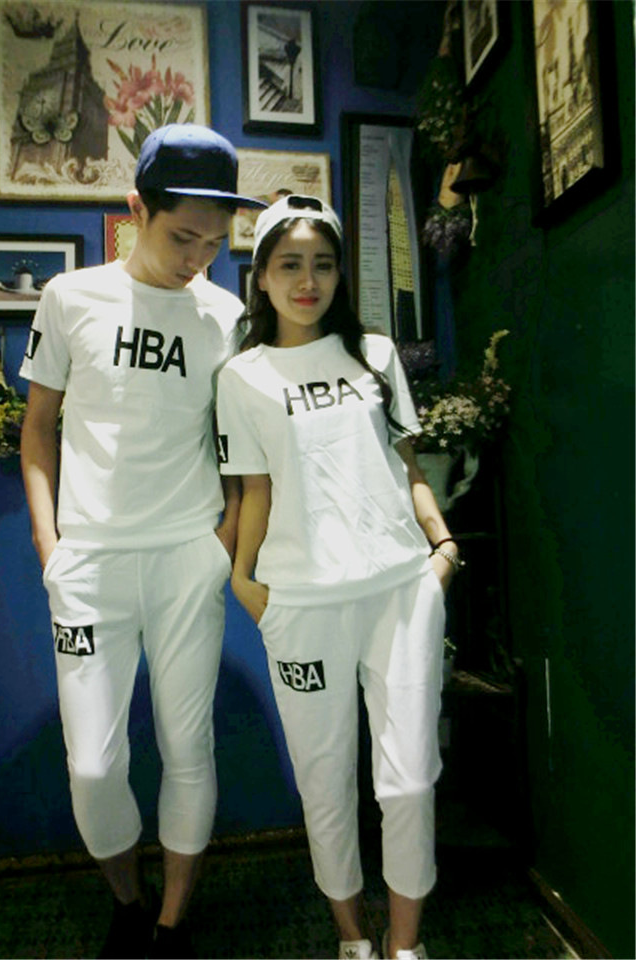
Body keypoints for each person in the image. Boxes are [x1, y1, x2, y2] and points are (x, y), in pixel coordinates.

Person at [19, 124, 265, 960]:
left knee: (188, 747)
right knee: (94, 765)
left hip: (187, 559)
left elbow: (240, 450)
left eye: (214, 242)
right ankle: (126, 903)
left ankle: (169, 925)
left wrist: (221, 546)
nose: (199, 257)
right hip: (88, 565)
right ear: (137, 210)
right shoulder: (71, 298)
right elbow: (38, 431)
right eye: (183, 236)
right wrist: (51, 547)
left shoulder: (228, 317)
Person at [216, 195, 463, 960]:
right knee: (324, 781)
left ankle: (404, 946)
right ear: (261, 277)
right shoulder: (242, 377)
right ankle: (353, 938)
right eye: (289, 265)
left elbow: (406, 465)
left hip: (400, 592)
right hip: (301, 603)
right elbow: (254, 491)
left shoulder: (377, 356)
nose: (308, 281)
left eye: (323, 265)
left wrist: (443, 546)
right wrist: (243, 579)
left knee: (410, 780)